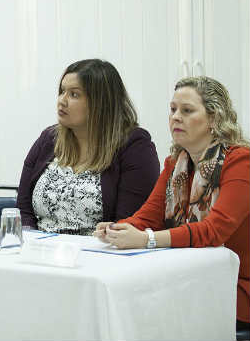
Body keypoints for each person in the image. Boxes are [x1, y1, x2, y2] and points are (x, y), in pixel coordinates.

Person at [93, 76, 249, 332]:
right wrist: (117, 228)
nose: (175, 117)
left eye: (187, 111)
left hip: (235, 288)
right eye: (173, 109)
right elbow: (145, 218)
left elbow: (213, 231)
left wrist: (147, 240)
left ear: (213, 119)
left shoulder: (241, 162)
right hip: (187, 282)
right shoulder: (175, 163)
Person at [17, 59, 160, 235]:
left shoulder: (134, 146)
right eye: (62, 92)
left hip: (100, 252)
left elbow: (129, 223)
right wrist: (30, 240)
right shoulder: (49, 139)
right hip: (40, 249)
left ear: (100, 102)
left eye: (74, 95)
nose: (62, 101)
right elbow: (23, 208)